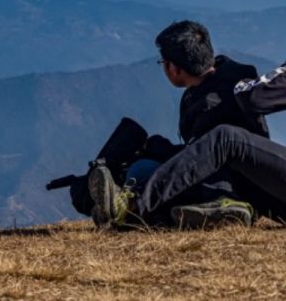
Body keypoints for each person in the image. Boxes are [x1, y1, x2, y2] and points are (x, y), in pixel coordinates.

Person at [90, 0, 286, 229]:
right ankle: (228, 209)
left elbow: (256, 97)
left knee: (226, 138)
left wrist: (234, 86)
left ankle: (133, 204)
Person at [88, 20, 269, 228]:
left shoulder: (211, 106)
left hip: (225, 185)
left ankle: (132, 209)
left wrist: (162, 151)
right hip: (244, 177)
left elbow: (199, 161)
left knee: (140, 171)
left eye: (163, 63)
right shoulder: (230, 78)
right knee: (144, 165)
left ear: (174, 68)